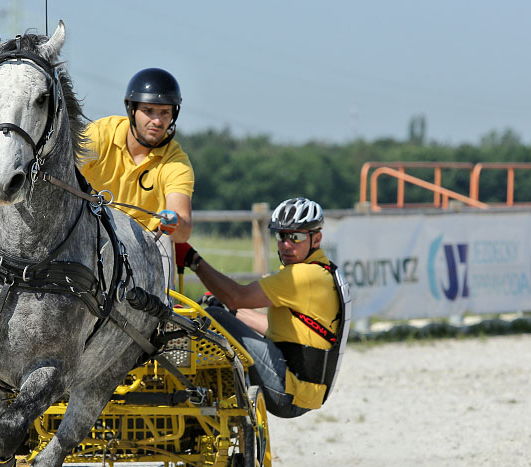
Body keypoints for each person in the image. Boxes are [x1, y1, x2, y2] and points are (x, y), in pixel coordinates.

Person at [175, 198, 349, 418]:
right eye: (281, 235)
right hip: (304, 394)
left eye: (296, 237)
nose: (286, 244)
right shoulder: (323, 272)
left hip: (288, 391)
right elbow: (275, 329)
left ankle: (188, 386)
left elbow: (236, 297)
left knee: (212, 316)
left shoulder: (301, 275)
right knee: (222, 313)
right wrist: (233, 312)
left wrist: (193, 260)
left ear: (317, 239)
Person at [79, 68, 194, 270]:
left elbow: (183, 233)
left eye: (165, 112)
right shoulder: (98, 134)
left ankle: (163, 303)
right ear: (132, 110)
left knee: (166, 240)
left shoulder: (177, 163)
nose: (157, 121)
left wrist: (174, 223)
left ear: (173, 115)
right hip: (89, 235)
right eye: (148, 111)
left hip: (145, 249)